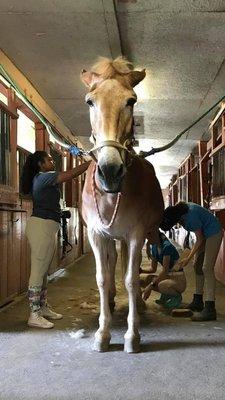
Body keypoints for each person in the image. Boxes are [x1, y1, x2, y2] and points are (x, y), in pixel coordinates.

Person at [21, 151, 90, 329]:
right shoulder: (43, 177)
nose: (52, 162)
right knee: (38, 271)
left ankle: (42, 307)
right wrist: (91, 163)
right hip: (42, 226)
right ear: (41, 164)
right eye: (49, 160)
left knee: (43, 271)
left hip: (47, 226)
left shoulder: (42, 178)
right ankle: (34, 314)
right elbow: (70, 174)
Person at [160, 201, 223, 321]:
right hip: (205, 234)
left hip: (214, 233)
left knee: (207, 268)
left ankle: (210, 308)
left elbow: (199, 239)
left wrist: (187, 258)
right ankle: (198, 301)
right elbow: (196, 238)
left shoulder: (190, 216)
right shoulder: (180, 211)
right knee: (197, 266)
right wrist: (188, 257)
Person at [142, 231, 187, 309]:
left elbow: (165, 271)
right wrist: (140, 271)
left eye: (148, 237)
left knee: (161, 285)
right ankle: (165, 296)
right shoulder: (154, 247)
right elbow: (153, 269)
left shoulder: (167, 246)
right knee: (147, 279)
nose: (147, 239)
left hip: (178, 279)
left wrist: (150, 286)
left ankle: (176, 296)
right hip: (168, 277)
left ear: (155, 236)